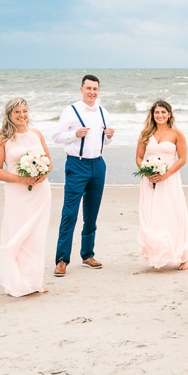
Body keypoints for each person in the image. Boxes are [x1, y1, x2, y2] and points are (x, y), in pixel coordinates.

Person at [0, 97, 52, 298]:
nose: (22, 115)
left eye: (24, 111)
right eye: (17, 112)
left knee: (36, 236)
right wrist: (20, 180)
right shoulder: (1, 139)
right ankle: (16, 281)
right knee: (18, 232)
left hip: (40, 192)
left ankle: (34, 281)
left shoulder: (36, 134)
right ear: (9, 115)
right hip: (17, 192)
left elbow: (48, 162)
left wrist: (43, 173)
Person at [53, 75, 113, 273]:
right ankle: (62, 260)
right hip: (76, 165)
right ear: (81, 89)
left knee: (91, 213)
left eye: (95, 89)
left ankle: (88, 255)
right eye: (89, 88)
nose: (92, 92)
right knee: (70, 213)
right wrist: (74, 134)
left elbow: (103, 142)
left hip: (98, 164)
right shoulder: (70, 111)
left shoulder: (103, 111)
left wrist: (109, 136)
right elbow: (57, 137)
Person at [136, 99, 188, 269]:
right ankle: (156, 254)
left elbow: (182, 159)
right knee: (152, 216)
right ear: (152, 115)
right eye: (157, 112)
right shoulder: (145, 134)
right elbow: (139, 157)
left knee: (173, 213)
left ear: (169, 114)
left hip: (170, 179)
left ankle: (182, 256)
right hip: (149, 181)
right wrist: (146, 172)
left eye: (163, 112)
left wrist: (165, 174)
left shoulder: (177, 134)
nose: (160, 115)